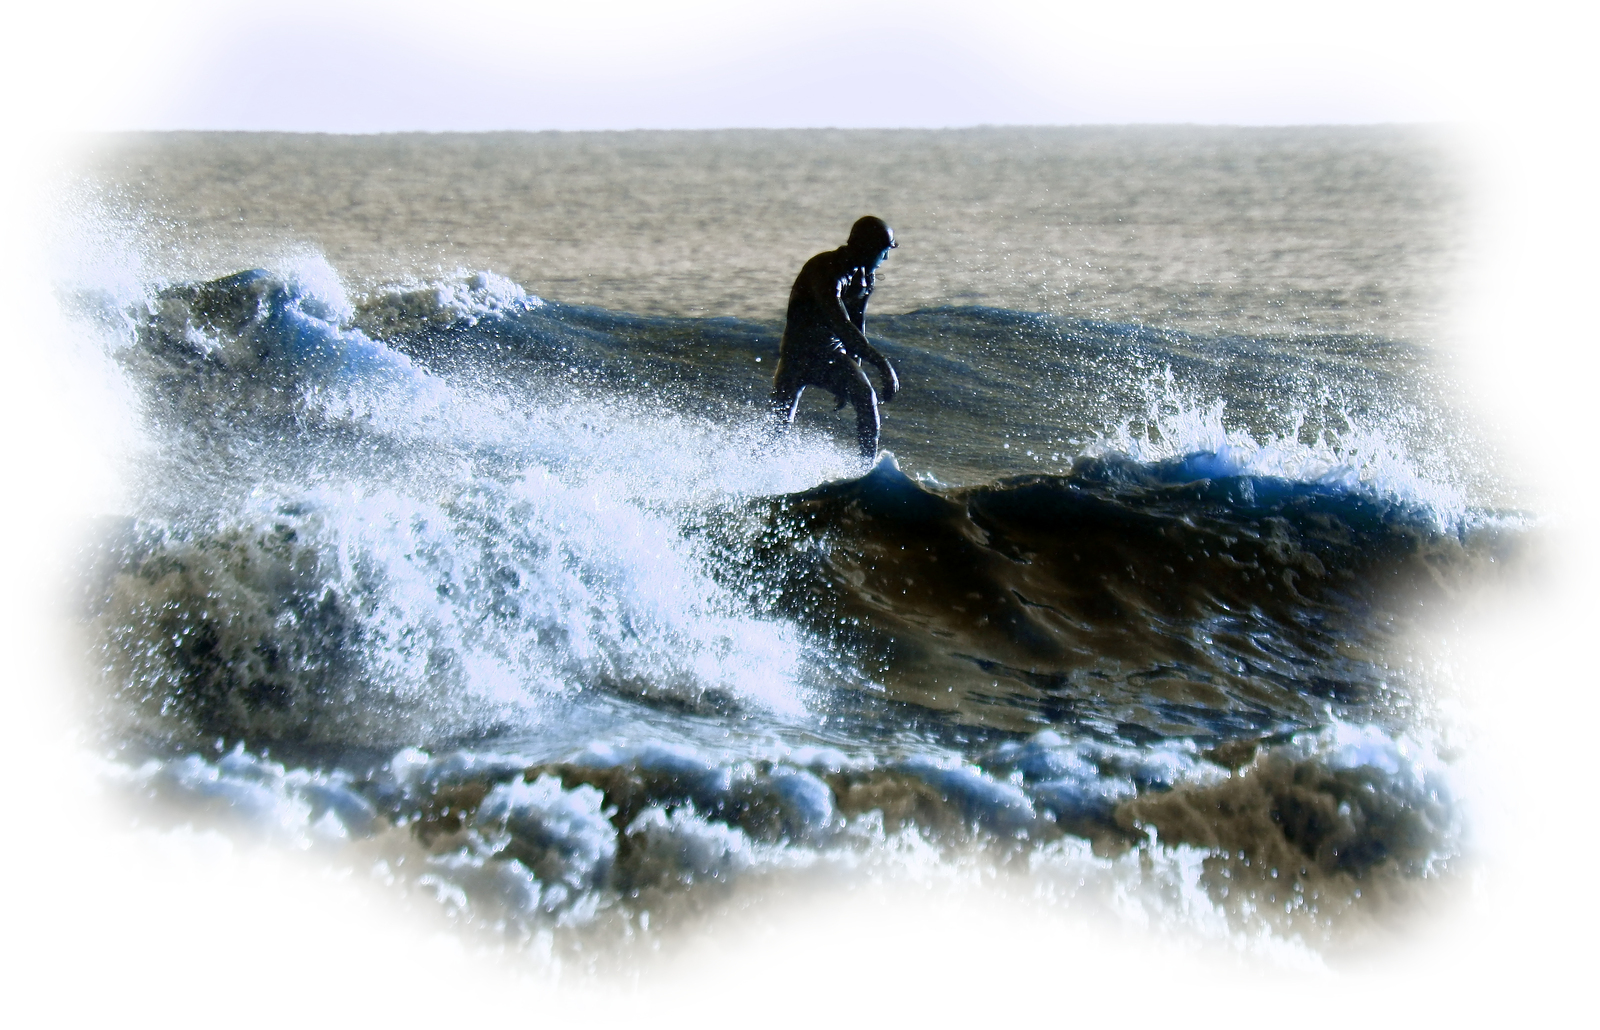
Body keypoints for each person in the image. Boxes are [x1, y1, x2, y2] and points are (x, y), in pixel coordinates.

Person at [770, 215, 901, 461]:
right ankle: (761, 472)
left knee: (865, 397)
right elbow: (841, 324)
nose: (886, 258)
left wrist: (855, 369)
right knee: (779, 426)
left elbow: (856, 325)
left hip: (831, 356)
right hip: (797, 356)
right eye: (883, 251)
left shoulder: (864, 277)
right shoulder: (825, 270)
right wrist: (883, 365)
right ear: (867, 248)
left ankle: (865, 471)